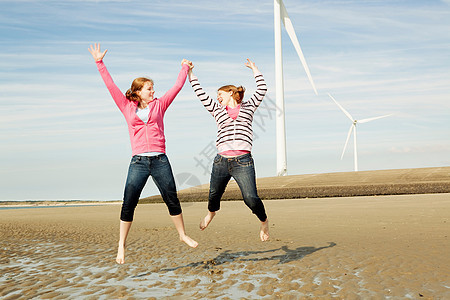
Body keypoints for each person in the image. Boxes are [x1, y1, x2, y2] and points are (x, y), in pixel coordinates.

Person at [88, 43, 198, 264]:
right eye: (149, 88)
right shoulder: (126, 106)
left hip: (159, 159)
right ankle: (121, 245)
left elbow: (176, 87)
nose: (153, 91)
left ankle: (182, 234)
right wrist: (99, 62)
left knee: (172, 198)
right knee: (129, 202)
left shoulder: (160, 105)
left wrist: (184, 68)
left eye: (153, 88)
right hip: (138, 161)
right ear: (138, 91)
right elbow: (110, 86)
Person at [187, 59, 269, 241]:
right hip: (221, 161)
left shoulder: (248, 107)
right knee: (214, 195)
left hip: (243, 161)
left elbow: (262, 89)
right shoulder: (217, 109)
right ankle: (211, 213)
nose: (217, 97)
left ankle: (264, 221)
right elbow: (200, 94)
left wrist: (255, 69)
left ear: (231, 92)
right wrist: (190, 74)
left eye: (220, 94)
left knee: (250, 198)